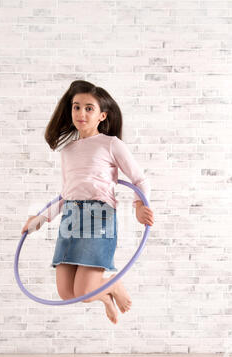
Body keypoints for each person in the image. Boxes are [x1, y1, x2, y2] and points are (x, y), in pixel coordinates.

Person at [21, 80, 154, 324]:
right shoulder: (68, 150)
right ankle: (106, 294)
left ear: (102, 115)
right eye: (76, 107)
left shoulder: (111, 144)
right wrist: (40, 218)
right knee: (66, 293)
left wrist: (138, 206)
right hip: (71, 218)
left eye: (89, 108)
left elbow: (139, 179)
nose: (81, 113)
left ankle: (111, 285)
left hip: (99, 217)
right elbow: (66, 194)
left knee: (83, 291)